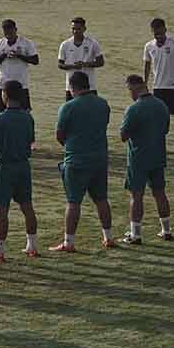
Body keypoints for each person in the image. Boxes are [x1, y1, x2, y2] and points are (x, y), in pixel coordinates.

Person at [50, 72, 114, 252]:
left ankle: (69, 242)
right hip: (99, 157)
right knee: (101, 199)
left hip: (76, 159)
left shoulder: (68, 107)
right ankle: (108, 237)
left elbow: (60, 135)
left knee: (73, 201)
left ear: (72, 87)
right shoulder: (103, 104)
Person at [0, 80, 38, 259]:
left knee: (2, 211)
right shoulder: (27, 118)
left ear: (4, 95)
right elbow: (31, 140)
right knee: (27, 206)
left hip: (4, 167)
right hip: (23, 166)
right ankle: (32, 245)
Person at [120, 74, 172, 244]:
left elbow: (123, 134)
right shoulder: (162, 105)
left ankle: (135, 234)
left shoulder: (134, 109)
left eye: (129, 89)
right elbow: (165, 129)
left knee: (136, 195)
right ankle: (166, 230)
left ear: (134, 87)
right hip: (157, 154)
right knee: (159, 192)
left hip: (138, 157)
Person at [143, 18, 174, 122]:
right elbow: (147, 66)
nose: (159, 36)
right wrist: (145, 83)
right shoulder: (148, 46)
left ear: (165, 30)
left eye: (161, 33)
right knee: (159, 119)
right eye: (156, 34)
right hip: (158, 87)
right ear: (152, 32)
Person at [0, 19, 39, 112]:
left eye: (10, 30)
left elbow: (35, 60)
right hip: (3, 84)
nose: (8, 33)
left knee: (24, 112)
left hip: (21, 84)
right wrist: (4, 55)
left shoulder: (26, 43)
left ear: (15, 29)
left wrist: (19, 56)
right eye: (5, 30)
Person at [57, 17, 105, 99]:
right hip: (71, 87)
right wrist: (73, 66)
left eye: (78, 29)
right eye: (73, 29)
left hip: (89, 86)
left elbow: (101, 62)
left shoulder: (93, 43)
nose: (75, 31)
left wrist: (85, 64)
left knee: (90, 111)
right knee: (71, 110)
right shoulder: (65, 44)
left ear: (84, 29)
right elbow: (60, 64)